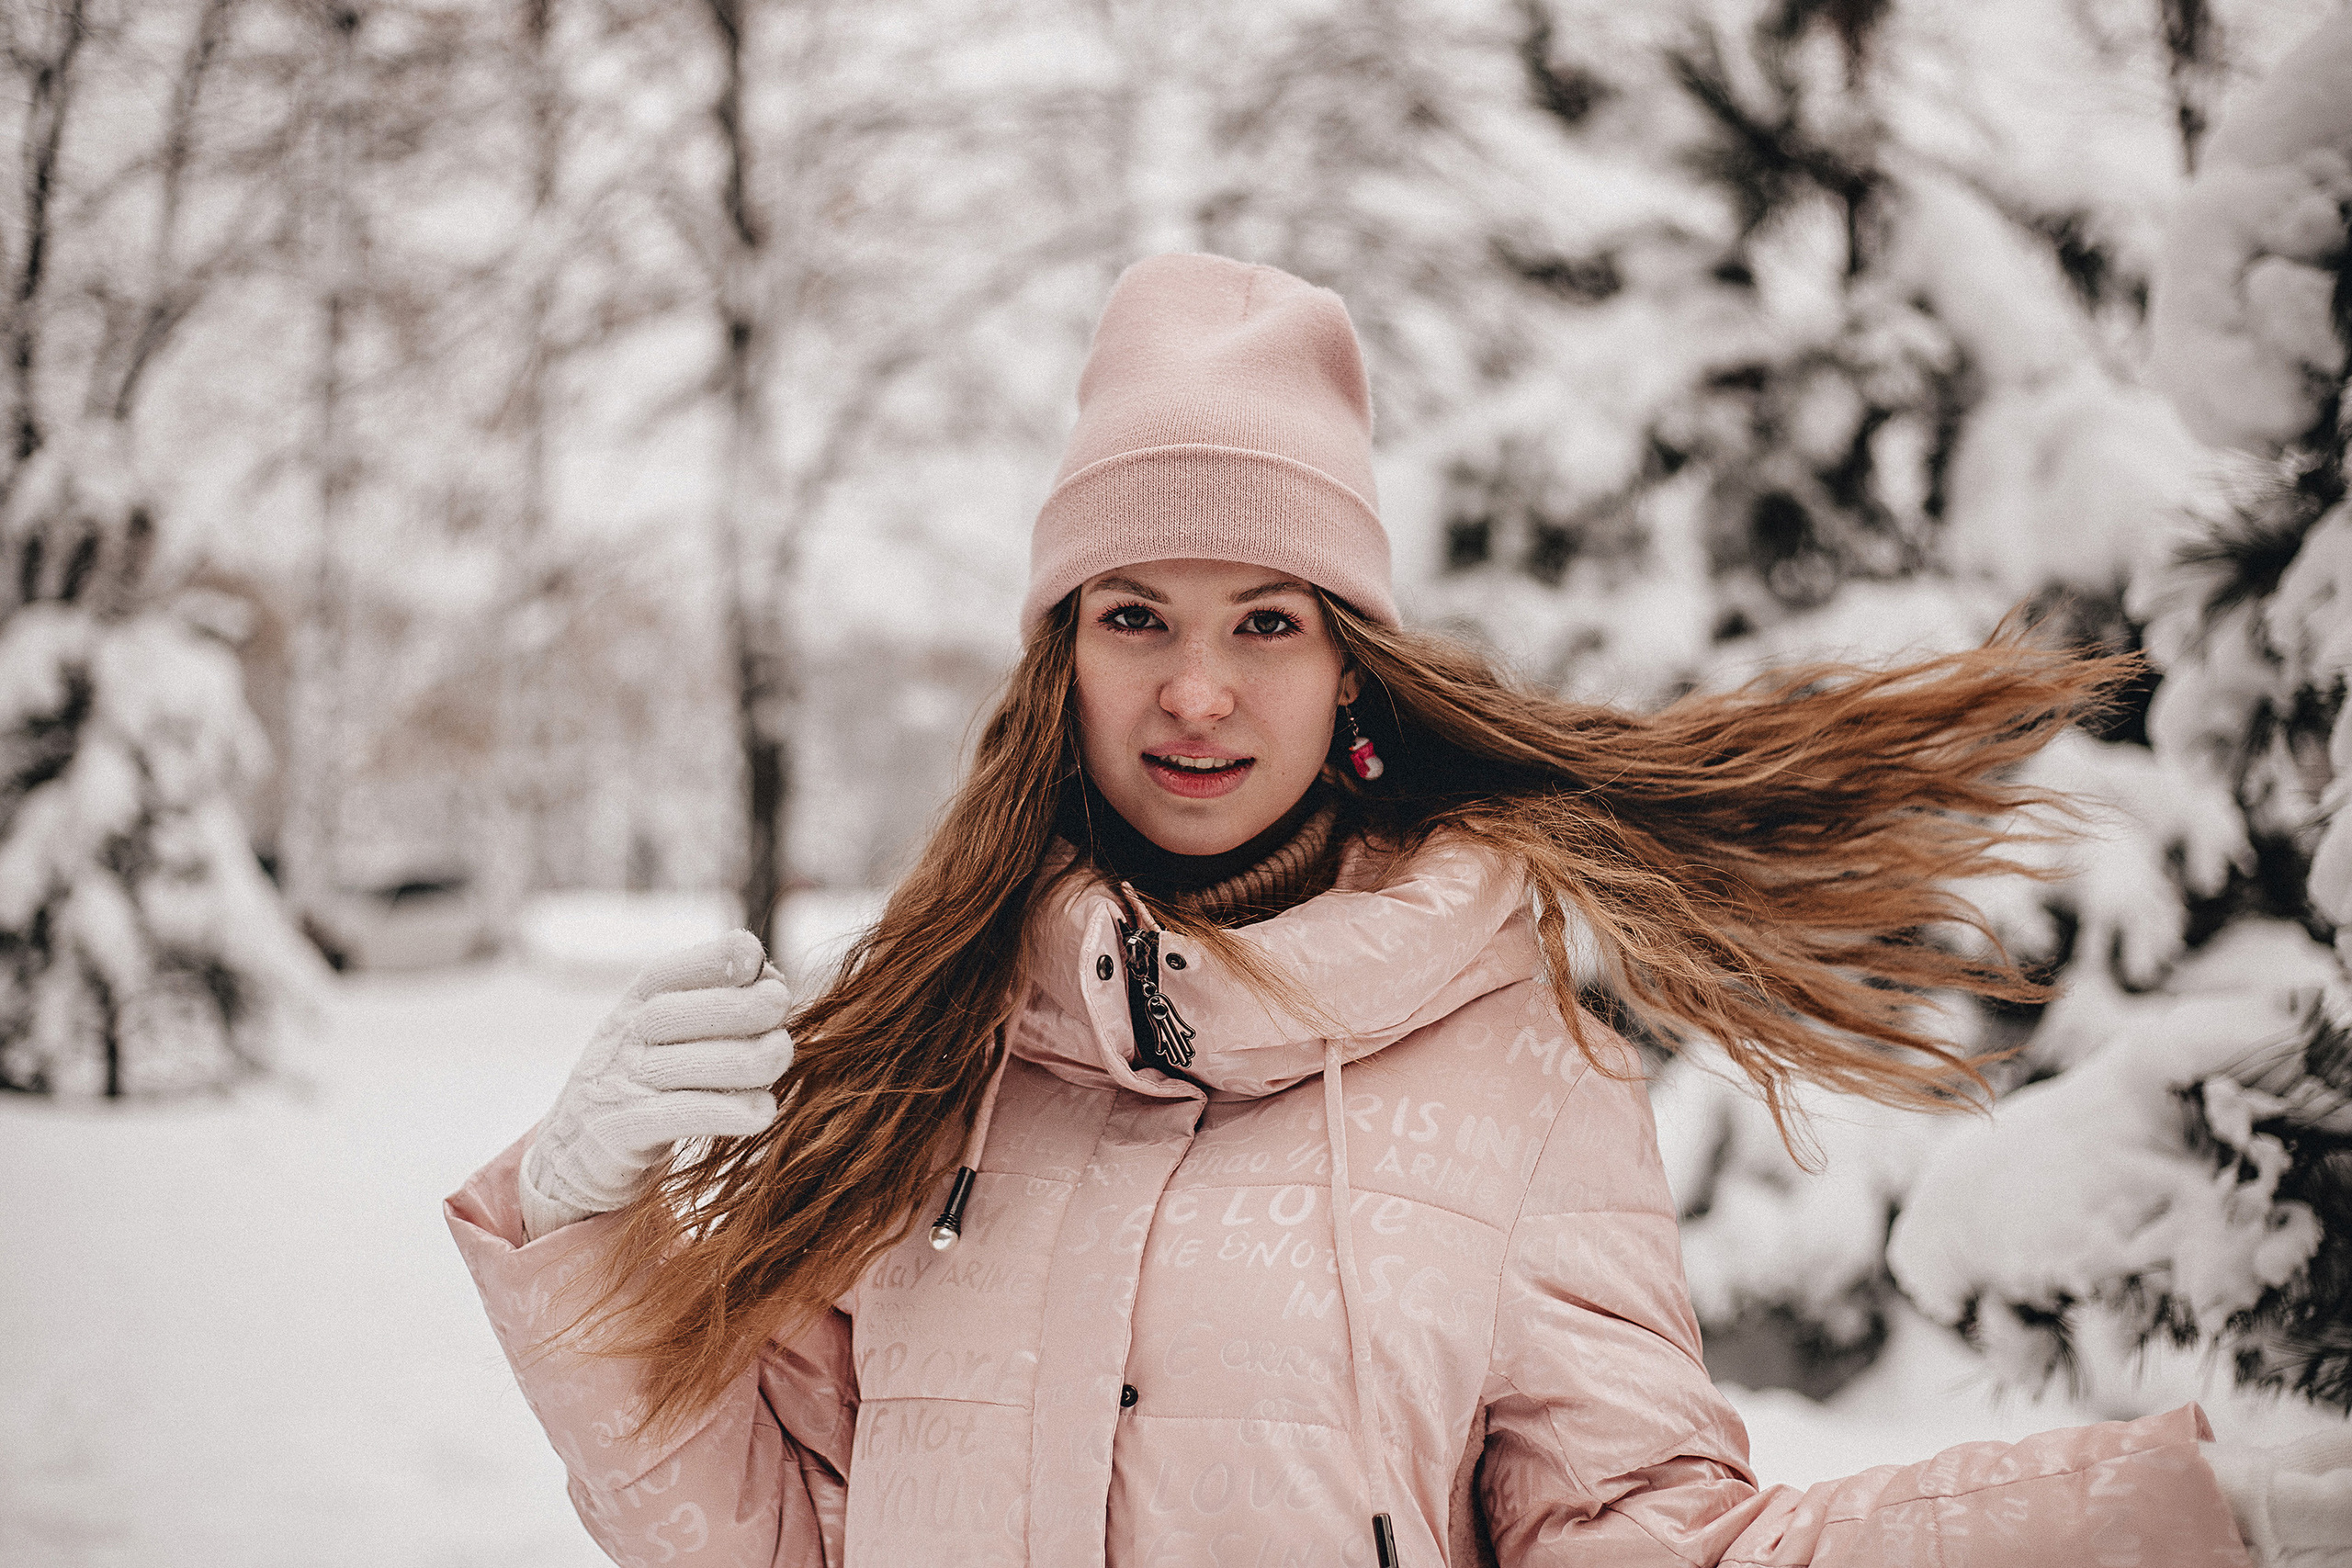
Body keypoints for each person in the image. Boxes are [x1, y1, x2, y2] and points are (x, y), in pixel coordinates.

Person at [448, 254, 2352, 1567]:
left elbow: (1659, 1550)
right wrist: (584, 1218)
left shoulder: (1511, 1074)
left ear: (1347, 669)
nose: (1197, 690)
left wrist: (2182, 1512)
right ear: (1058, 662)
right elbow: (764, 1532)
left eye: (1261, 621)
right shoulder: (922, 1050)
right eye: (1137, 616)